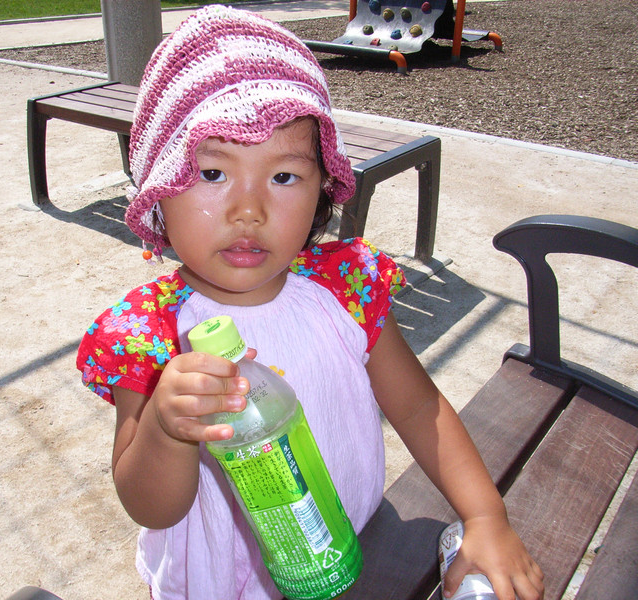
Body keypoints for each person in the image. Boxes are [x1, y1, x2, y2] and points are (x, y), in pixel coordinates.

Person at [76, 6, 544, 600]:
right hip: (218, 584)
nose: (249, 211)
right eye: (213, 173)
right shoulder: (151, 334)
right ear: (159, 189)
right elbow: (151, 508)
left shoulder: (342, 289)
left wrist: (484, 516)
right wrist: (169, 430)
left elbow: (418, 406)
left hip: (349, 545)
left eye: (284, 177)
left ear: (322, 186)